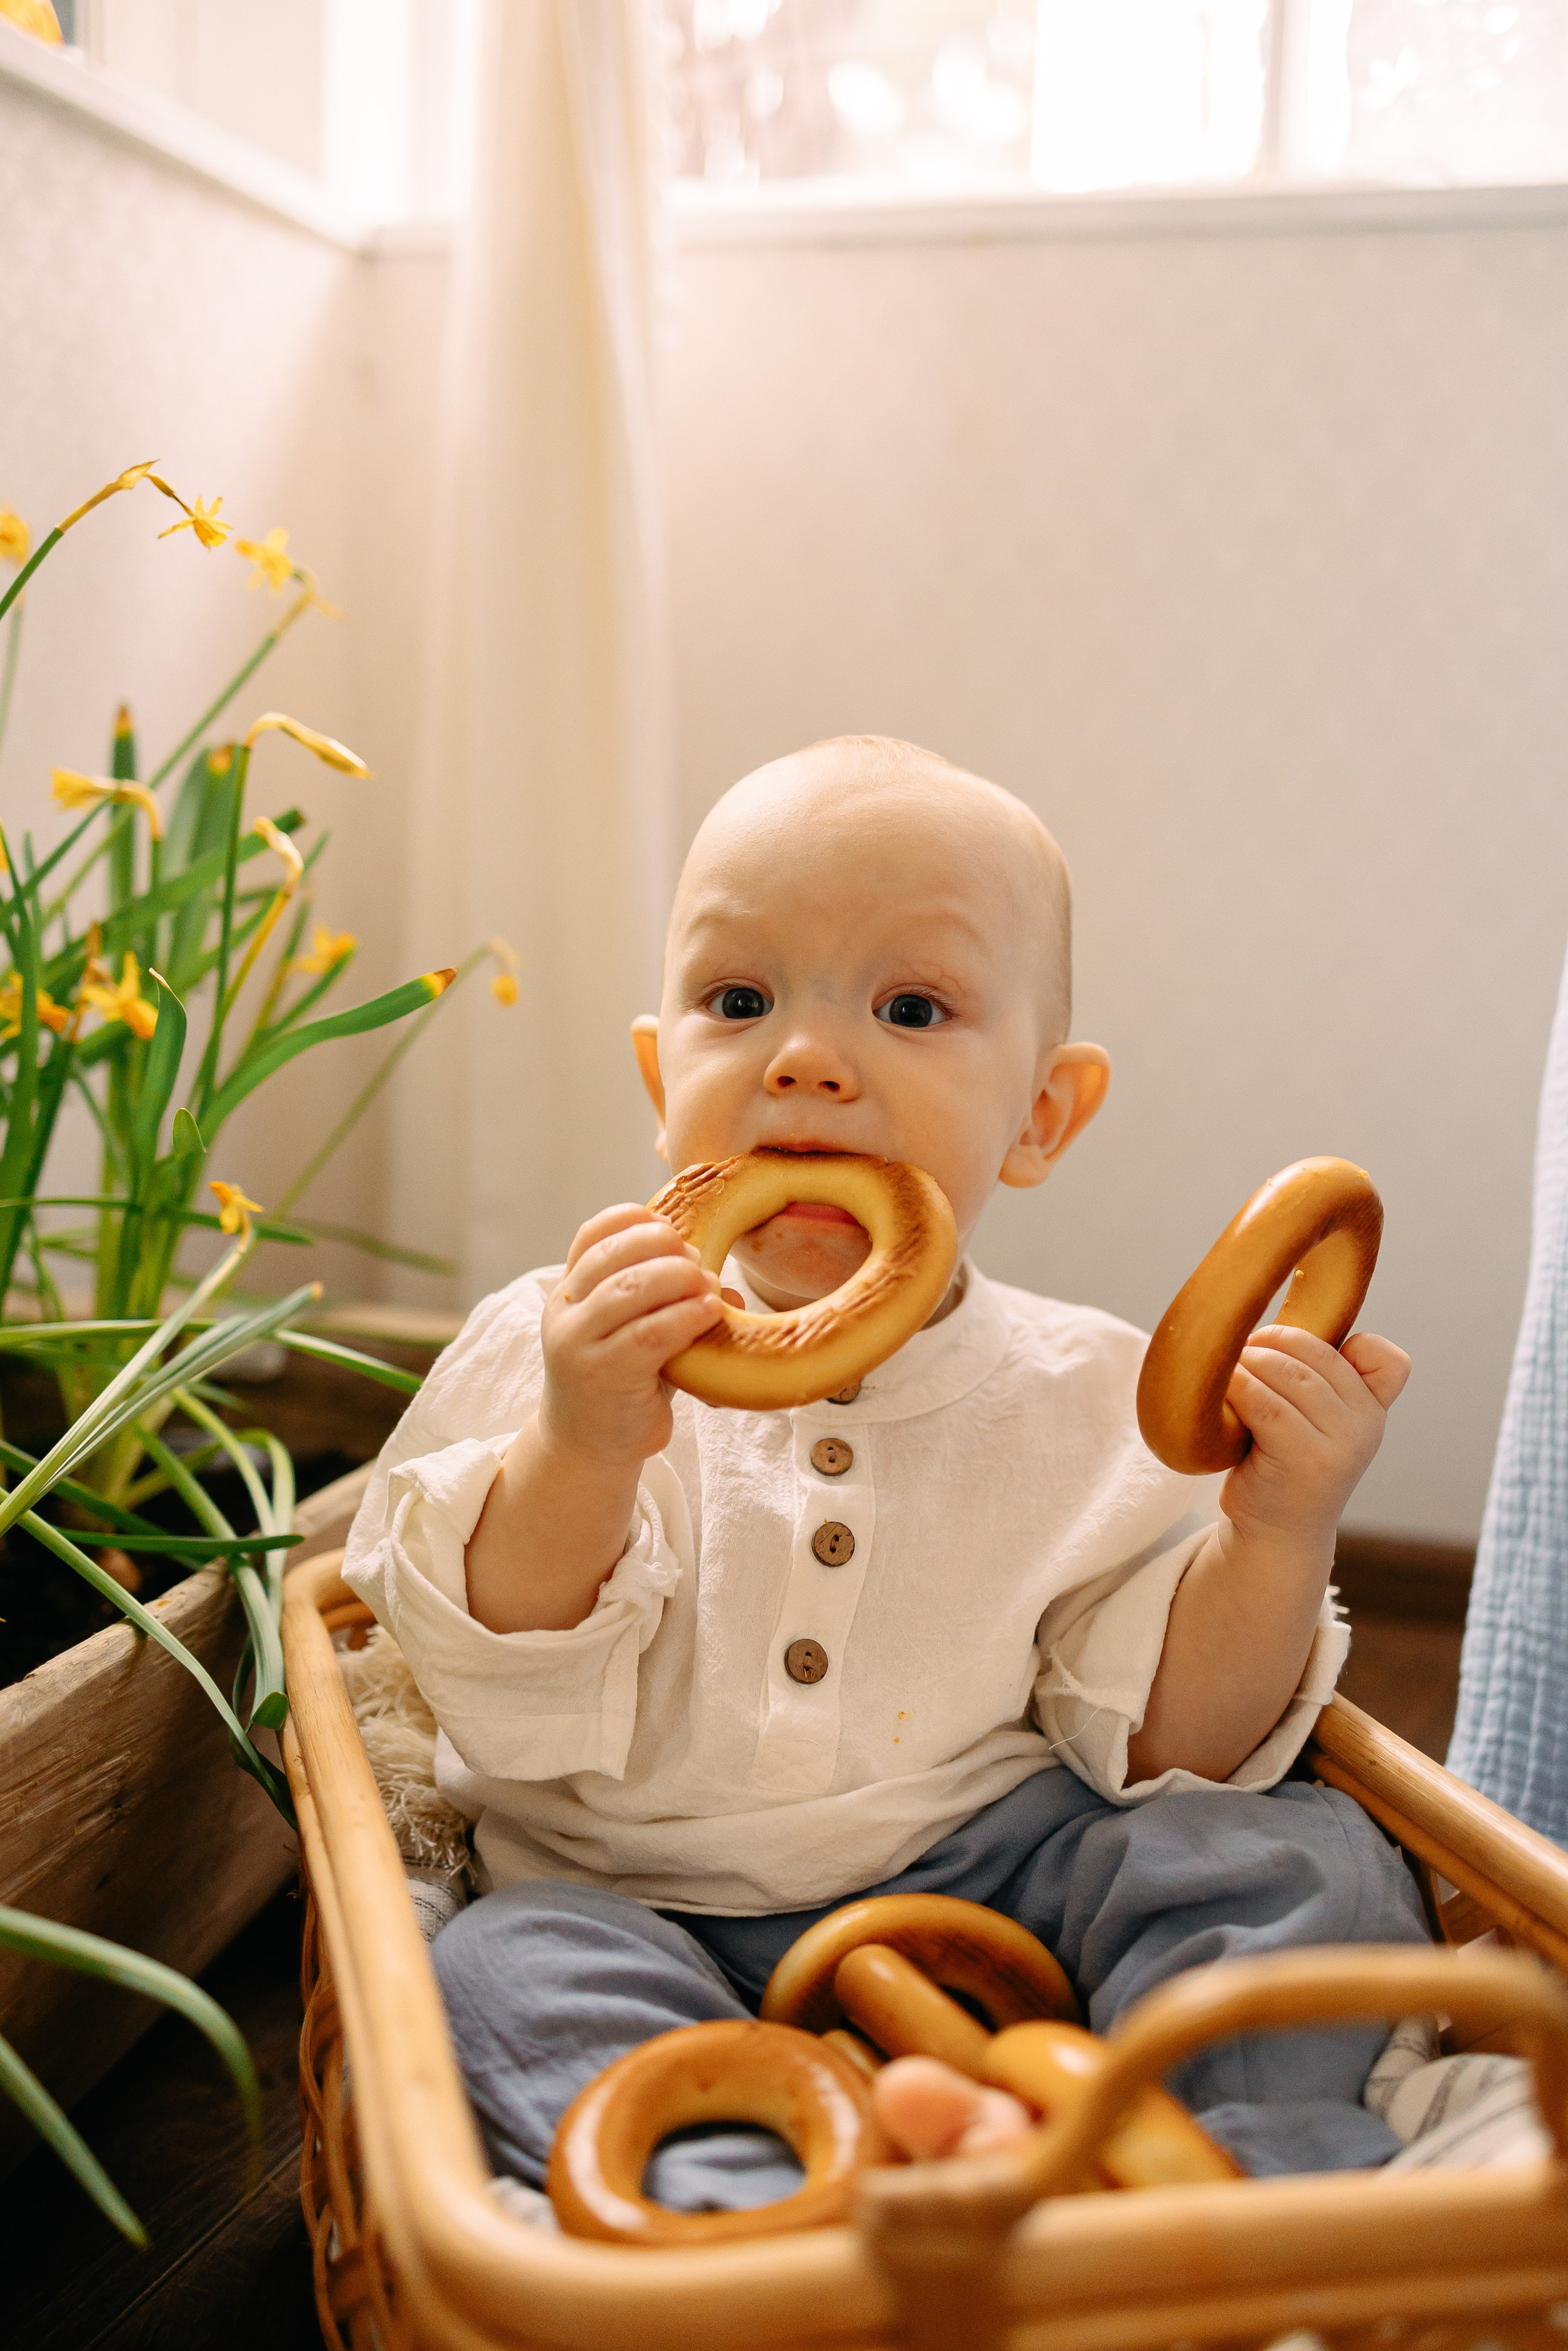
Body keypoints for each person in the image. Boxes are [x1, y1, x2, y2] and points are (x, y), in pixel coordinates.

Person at [344, 736, 1423, 2211]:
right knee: (492, 1971)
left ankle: (1240, 2198)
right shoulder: (559, 1345)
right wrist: (584, 1439)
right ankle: (755, 2216)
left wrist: (1279, 1520)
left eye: (910, 1006)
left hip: (996, 1870)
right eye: (738, 1001)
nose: (803, 1055)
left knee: (1296, 1854)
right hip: (641, 1894)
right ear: (663, 1080)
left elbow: (1174, 1743)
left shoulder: (1092, 1394)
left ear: (1041, 1114)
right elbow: (489, 1675)